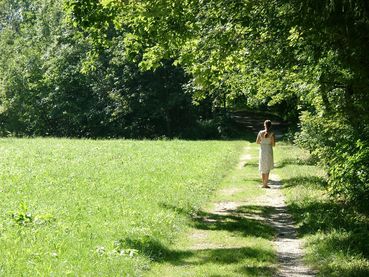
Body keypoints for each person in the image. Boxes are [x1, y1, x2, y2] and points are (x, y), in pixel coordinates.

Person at [256, 120, 275, 188]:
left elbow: (257, 142)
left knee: (262, 166)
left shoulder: (260, 132)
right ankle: (265, 184)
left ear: (264, 125)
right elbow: (273, 144)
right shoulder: (272, 133)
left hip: (262, 150)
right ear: (270, 126)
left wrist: (263, 143)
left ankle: (263, 184)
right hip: (268, 150)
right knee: (267, 167)